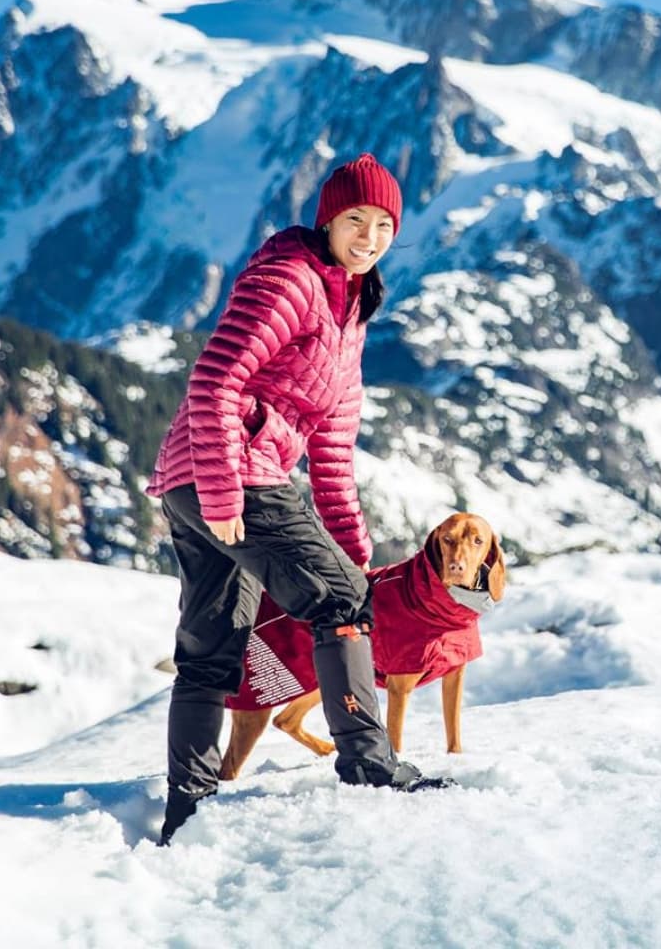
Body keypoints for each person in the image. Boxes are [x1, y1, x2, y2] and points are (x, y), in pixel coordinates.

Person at [145, 152, 451, 845]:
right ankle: (369, 767)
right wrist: (226, 493)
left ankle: (186, 811)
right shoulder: (291, 278)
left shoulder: (351, 311)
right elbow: (215, 380)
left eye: (382, 224)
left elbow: (333, 450)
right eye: (354, 220)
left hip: (198, 479)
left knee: (213, 649)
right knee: (340, 602)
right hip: (229, 475)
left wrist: (352, 548)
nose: (368, 236)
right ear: (327, 221)